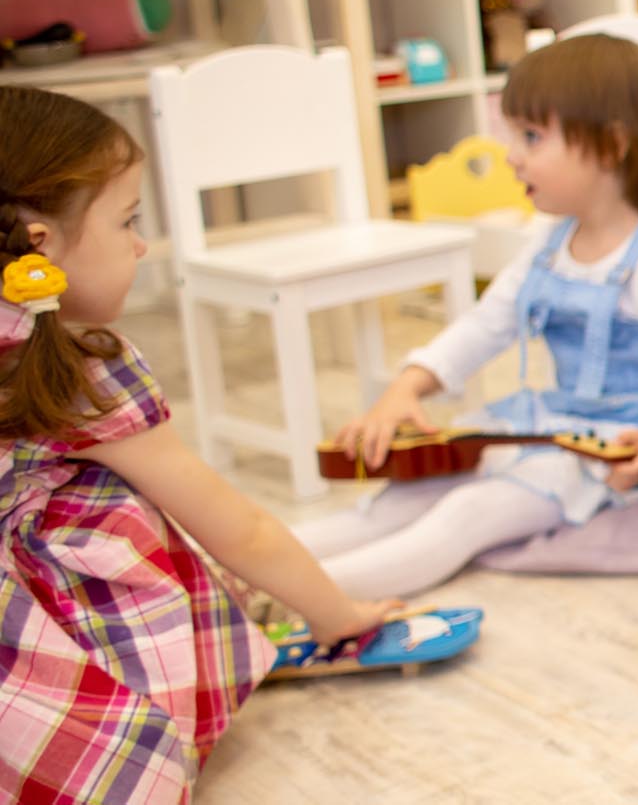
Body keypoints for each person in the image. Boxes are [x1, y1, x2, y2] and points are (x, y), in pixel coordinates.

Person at [1, 86, 399, 803]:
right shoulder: (81, 373)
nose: (141, 244)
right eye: (127, 221)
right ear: (41, 248)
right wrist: (337, 615)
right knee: (116, 503)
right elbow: (237, 527)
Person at [302, 34, 638, 599]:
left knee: (466, 516)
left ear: (611, 145)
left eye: (531, 136)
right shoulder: (550, 243)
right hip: (545, 424)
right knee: (399, 500)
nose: (511, 155)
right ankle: (234, 566)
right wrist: (409, 385)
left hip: (609, 453)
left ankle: (294, 597)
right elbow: (486, 325)